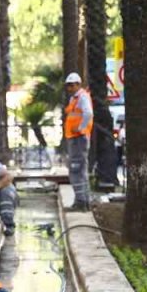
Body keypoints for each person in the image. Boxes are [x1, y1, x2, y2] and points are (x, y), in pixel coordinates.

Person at [63, 72, 93, 210]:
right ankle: (83, 201)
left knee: (76, 169)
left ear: (78, 84)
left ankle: (81, 202)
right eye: (68, 85)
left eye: (72, 85)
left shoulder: (82, 97)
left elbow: (88, 114)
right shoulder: (74, 98)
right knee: (80, 169)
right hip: (75, 138)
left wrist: (80, 128)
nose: (69, 88)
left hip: (79, 138)